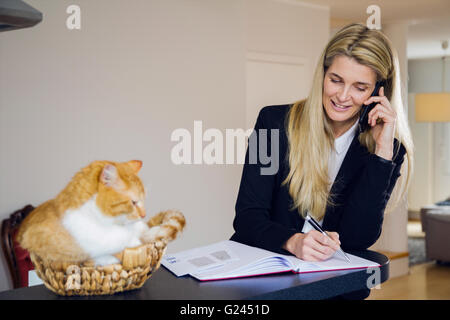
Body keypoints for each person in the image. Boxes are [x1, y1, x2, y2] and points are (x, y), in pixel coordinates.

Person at [230, 23, 414, 299]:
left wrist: (382, 151)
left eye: (359, 87)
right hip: (267, 283)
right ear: (323, 74)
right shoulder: (271, 124)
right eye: (336, 80)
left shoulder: (388, 151)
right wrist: (293, 241)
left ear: (378, 92)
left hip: (335, 289)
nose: (342, 96)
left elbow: (358, 238)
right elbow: (247, 217)